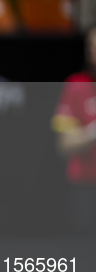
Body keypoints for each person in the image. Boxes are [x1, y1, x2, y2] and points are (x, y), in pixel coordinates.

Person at [51, 27, 96, 236]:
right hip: (86, 186)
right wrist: (92, 132)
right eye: (92, 47)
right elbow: (65, 145)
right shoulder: (77, 85)